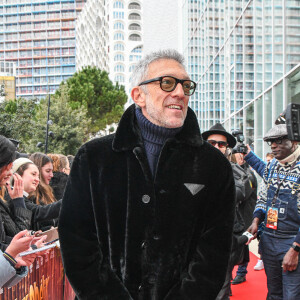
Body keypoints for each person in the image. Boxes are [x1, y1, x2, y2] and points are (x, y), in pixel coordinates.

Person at [59, 49, 236, 300]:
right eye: (167, 83)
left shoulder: (213, 165)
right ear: (138, 95)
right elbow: (77, 243)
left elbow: (213, 253)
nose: (179, 92)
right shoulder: (93, 157)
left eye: (186, 86)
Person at [245, 124, 300, 299]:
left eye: (278, 141)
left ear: (294, 141)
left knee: (292, 295)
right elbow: (262, 197)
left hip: (292, 241)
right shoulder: (271, 166)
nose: (273, 146)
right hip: (269, 238)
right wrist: (256, 220)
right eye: (270, 142)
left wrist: (295, 249)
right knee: (274, 293)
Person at [202, 123, 255, 299]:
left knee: (220, 289)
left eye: (221, 144)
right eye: (211, 143)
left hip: (223, 241)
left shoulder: (237, 172)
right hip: (195, 241)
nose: (217, 147)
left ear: (227, 148)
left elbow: (239, 193)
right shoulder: (193, 168)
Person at [11, 158, 62, 231]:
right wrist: (69, 199)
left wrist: (43, 231)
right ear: (17, 174)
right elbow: (38, 212)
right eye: (33, 174)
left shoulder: (26, 197)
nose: (37, 179)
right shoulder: (12, 197)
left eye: (38, 176)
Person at [0, 136, 32, 251]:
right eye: (33, 174)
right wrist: (19, 200)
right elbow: (19, 234)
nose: (10, 173)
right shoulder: (9, 196)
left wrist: (32, 241)